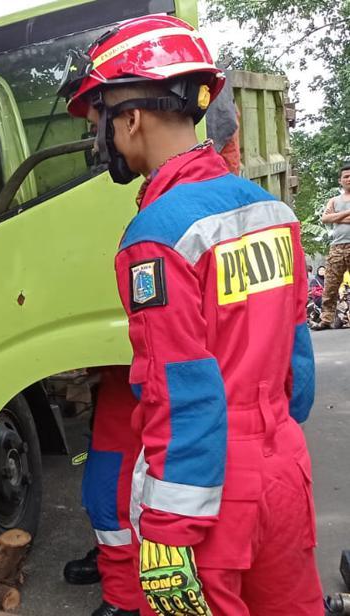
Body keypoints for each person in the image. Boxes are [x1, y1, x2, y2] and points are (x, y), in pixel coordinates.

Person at [63, 14, 320, 615]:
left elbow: (181, 391)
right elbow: (298, 368)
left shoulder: (155, 236)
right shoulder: (270, 211)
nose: (98, 137)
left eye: (99, 119)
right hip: (285, 470)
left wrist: (168, 535)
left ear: (131, 119)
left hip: (208, 496)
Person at [69, 367, 145, 616]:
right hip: (120, 373)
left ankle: (125, 597)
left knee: (109, 493)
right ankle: (114, 562)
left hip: (135, 376)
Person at [314, 163, 350, 330]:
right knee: (330, 284)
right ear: (340, 181)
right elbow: (325, 219)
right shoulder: (334, 200)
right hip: (337, 247)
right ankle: (326, 319)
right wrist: (345, 215)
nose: (349, 179)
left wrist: (336, 217)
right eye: (346, 176)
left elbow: (330, 218)